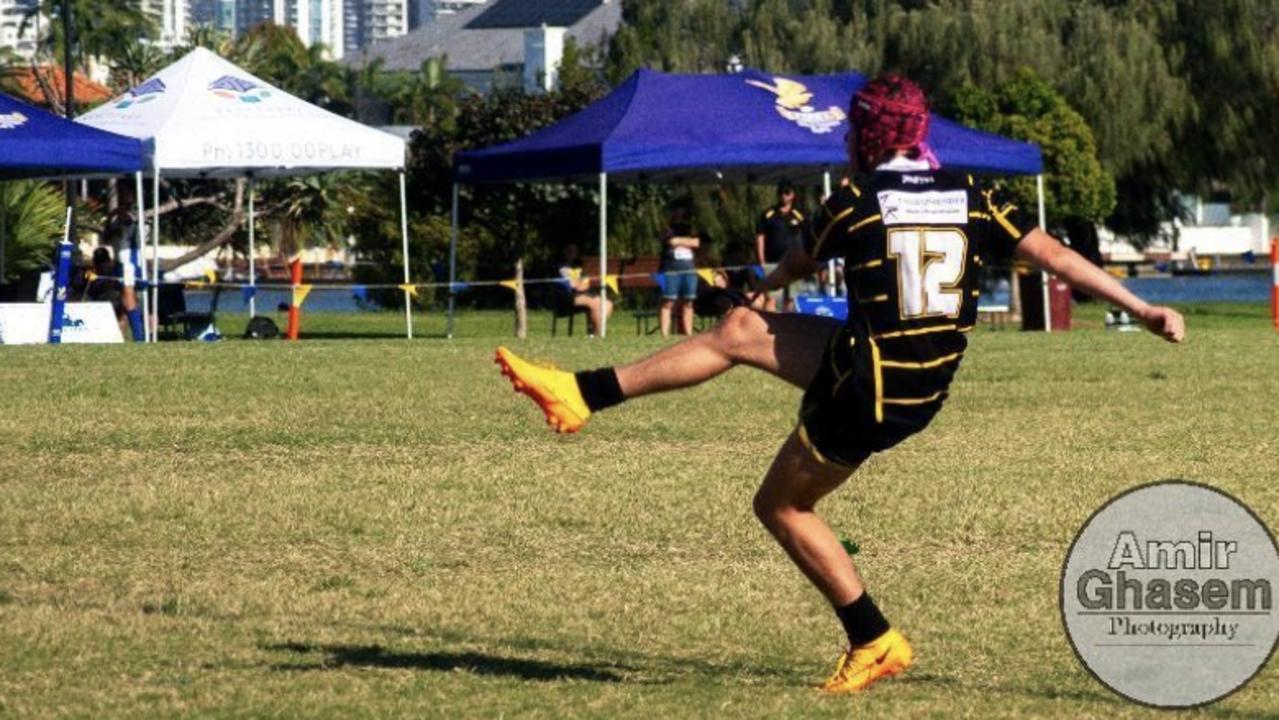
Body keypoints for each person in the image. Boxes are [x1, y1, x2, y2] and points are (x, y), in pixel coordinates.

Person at [493, 75, 1184, 694]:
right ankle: (579, 392)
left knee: (782, 507)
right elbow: (1055, 255)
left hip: (871, 390)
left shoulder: (855, 200)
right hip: (912, 374)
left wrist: (765, 282)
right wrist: (1143, 308)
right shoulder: (973, 194)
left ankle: (873, 638)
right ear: (919, 133)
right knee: (737, 332)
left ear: (863, 134)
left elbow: (799, 259)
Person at [755, 181, 806, 311]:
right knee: (771, 298)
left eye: (786, 192)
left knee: (790, 299)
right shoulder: (768, 214)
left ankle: (786, 327)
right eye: (780, 193)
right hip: (773, 263)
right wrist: (761, 260)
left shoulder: (800, 215)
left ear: (793, 195)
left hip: (794, 262)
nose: (783, 195)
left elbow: (807, 236)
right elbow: (760, 237)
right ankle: (767, 327)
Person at [658, 206, 701, 337]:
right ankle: (664, 334)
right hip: (671, 271)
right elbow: (671, 241)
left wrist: (681, 242)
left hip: (690, 271)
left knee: (688, 302)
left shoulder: (692, 229)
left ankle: (688, 334)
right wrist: (687, 242)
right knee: (668, 302)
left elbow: (697, 242)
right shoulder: (667, 229)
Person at [557, 243, 613, 336]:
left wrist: (582, 283)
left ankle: (593, 332)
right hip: (567, 298)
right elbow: (574, 286)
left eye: (574, 251)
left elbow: (585, 284)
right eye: (569, 251)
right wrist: (581, 283)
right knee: (596, 303)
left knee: (608, 304)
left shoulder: (578, 267)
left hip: (583, 294)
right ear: (564, 252)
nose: (572, 253)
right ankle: (598, 335)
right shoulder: (562, 268)